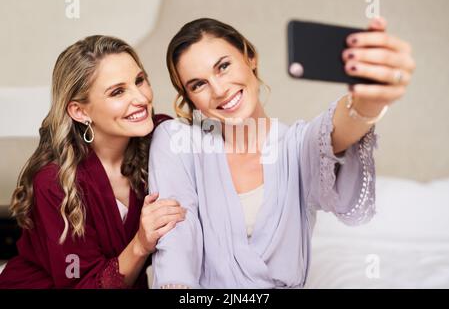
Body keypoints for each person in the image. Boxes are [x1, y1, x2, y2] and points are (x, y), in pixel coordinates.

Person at [148, 17, 415, 288]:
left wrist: (371, 99)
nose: (219, 90)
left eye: (224, 67)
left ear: (249, 57)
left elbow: (335, 131)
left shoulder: (296, 147)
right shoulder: (176, 142)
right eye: (198, 84)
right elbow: (177, 233)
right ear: (189, 97)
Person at [0, 35, 185, 288]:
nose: (141, 99)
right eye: (118, 92)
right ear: (80, 111)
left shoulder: (161, 139)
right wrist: (140, 244)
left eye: (139, 81)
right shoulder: (54, 182)